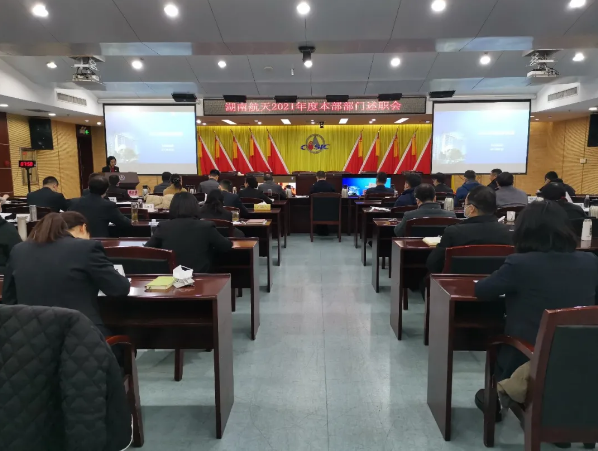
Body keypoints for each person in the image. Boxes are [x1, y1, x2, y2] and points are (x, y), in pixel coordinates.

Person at [474, 201, 598, 423]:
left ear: (523, 231)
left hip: (529, 357)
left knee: (497, 340)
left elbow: (482, 290)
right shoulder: (590, 261)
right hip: (583, 356)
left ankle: (500, 395)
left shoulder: (520, 263)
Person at [1, 213, 130, 338]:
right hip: (81, 336)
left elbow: (9, 299)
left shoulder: (18, 250)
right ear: (83, 228)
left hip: (31, 339)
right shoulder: (87, 248)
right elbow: (120, 288)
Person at [427, 186, 512, 273]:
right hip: (497, 280)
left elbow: (433, 263)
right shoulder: (508, 232)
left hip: (458, 280)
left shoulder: (453, 232)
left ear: (471, 209)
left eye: (465, 204)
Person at [145, 192, 233, 272]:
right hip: (200, 277)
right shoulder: (206, 226)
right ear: (195, 207)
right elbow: (225, 246)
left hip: (171, 278)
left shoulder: (163, 226)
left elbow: (147, 249)